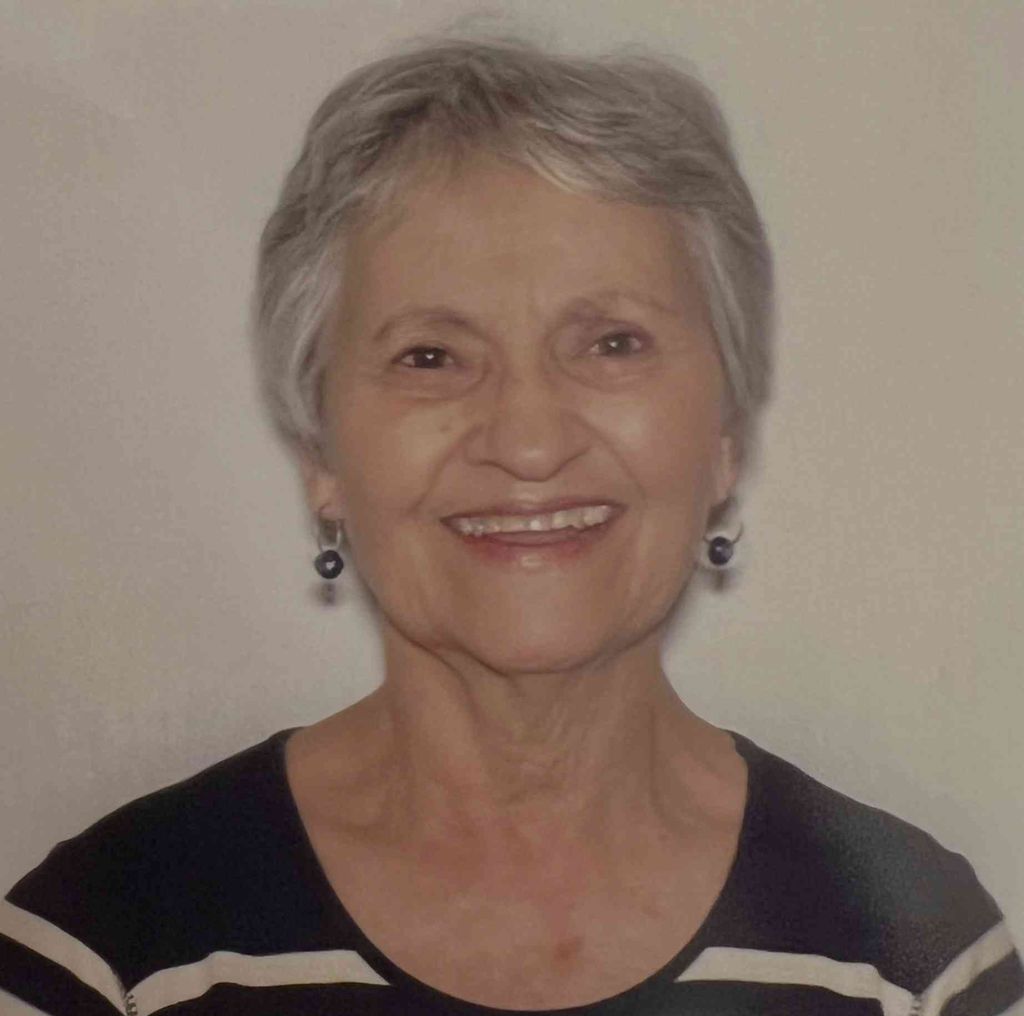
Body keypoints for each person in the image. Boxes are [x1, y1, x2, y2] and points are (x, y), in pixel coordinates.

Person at [1, 35, 1020, 1016]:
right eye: (431, 356)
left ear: (723, 435)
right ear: (322, 453)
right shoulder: (109, 953)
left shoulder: (905, 956)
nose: (529, 441)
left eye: (612, 343)